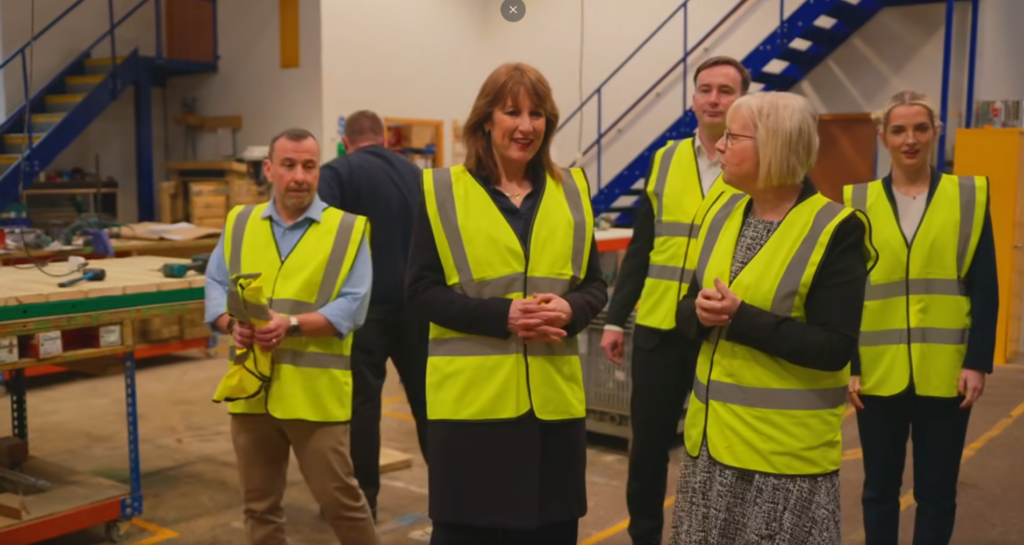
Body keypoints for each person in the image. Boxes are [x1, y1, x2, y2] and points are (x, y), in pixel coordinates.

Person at [406, 62, 607, 544]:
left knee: (552, 531)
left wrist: (570, 311)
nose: (525, 125)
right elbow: (419, 292)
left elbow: (594, 286)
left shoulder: (573, 191)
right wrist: (504, 316)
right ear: (485, 121)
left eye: (537, 114)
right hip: (472, 412)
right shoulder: (441, 192)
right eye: (511, 111)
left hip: (553, 410)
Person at [668, 92, 876, 545]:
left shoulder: (836, 229)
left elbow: (833, 347)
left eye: (732, 137)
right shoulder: (722, 214)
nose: (719, 147)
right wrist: (700, 313)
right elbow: (686, 309)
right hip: (711, 450)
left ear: (775, 146)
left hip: (783, 465)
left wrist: (739, 318)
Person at [597, 55, 750, 545]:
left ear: (742, 99)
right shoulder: (665, 159)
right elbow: (643, 245)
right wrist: (617, 319)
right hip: (661, 327)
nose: (713, 99)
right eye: (705, 89)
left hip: (720, 329)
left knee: (719, 447)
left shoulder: (755, 161)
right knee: (646, 450)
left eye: (725, 91)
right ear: (693, 97)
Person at [204, 128, 379, 545]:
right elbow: (214, 282)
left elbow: (354, 305)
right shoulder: (240, 222)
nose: (299, 176)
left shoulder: (347, 230)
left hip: (314, 397)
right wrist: (232, 324)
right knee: (259, 506)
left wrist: (292, 324)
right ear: (269, 170)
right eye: (288, 165)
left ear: (319, 171)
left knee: (342, 501)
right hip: (251, 392)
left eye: (308, 166)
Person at [844, 90, 998, 545]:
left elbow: (984, 285)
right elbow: (846, 293)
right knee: (878, 492)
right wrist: (850, 364)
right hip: (877, 372)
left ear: (935, 133)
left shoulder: (968, 196)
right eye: (898, 130)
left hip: (946, 373)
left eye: (920, 128)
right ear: (883, 137)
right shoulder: (856, 201)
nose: (909, 139)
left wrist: (978, 362)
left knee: (936, 492)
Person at [318, 109, 429, 520]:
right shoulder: (417, 175)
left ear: (346, 141)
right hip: (418, 306)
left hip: (364, 309)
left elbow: (320, 237)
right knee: (427, 401)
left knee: (364, 405)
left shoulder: (338, 173)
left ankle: (365, 504)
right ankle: (453, 496)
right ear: (385, 140)